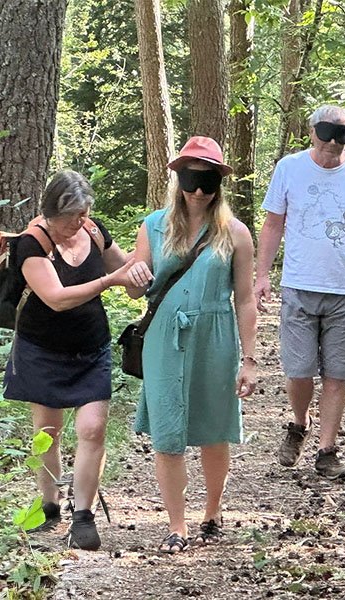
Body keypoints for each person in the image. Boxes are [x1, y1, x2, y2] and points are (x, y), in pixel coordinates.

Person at [125, 136, 257, 554]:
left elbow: (246, 297)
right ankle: (176, 526)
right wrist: (133, 276)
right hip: (165, 334)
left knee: (213, 427)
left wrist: (250, 359)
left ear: (219, 184)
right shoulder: (153, 225)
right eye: (190, 180)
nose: (198, 190)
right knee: (167, 430)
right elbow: (134, 286)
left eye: (207, 182)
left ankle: (212, 512)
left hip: (215, 336)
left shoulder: (235, 233)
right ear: (177, 179)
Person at [3, 170, 137, 551]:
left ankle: (83, 516)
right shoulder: (31, 244)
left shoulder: (94, 231)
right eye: (70, 217)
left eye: (82, 214)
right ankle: (49, 506)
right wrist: (110, 282)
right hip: (42, 348)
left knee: (93, 429)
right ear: (49, 213)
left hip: (91, 347)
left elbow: (125, 270)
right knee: (48, 431)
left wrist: (139, 271)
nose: (78, 223)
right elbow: (57, 297)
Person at [254, 104, 345, 480]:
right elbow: (273, 224)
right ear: (312, 131)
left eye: (341, 134)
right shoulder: (290, 168)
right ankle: (299, 423)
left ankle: (327, 449)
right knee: (298, 370)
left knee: (337, 372)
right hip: (299, 284)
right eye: (326, 132)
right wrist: (262, 274)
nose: (332, 142)